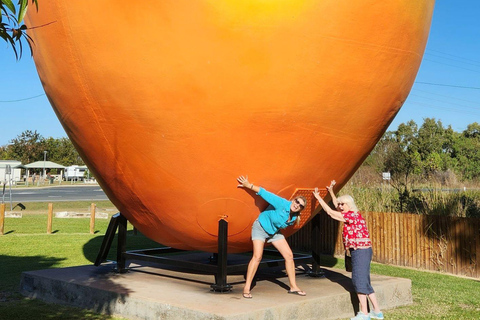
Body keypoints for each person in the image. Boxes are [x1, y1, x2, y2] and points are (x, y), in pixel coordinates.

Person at [313, 181, 383, 320]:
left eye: (342, 204)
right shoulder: (352, 214)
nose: (339, 206)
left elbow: (330, 212)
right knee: (365, 281)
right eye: (339, 204)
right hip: (363, 251)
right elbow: (335, 206)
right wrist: (331, 192)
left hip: (360, 252)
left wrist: (318, 197)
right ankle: (377, 311)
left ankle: (364, 313)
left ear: (348, 205)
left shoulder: (351, 216)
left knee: (358, 281)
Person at [237, 175, 307, 299]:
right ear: (293, 200)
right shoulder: (282, 203)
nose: (297, 205)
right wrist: (249, 185)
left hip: (273, 232)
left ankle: (293, 287)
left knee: (289, 255)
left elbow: (280, 224)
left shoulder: (295, 217)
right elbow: (265, 194)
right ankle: (247, 287)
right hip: (260, 228)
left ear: (301, 209)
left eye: (300, 205)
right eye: (297, 201)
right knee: (257, 256)